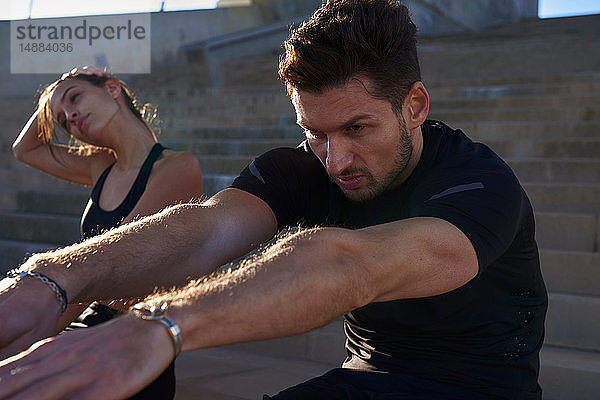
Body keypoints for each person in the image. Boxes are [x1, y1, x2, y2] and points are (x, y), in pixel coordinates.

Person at [0, 1, 547, 399]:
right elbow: (207, 228)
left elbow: (354, 263)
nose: (336, 161)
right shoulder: (299, 168)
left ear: (415, 104)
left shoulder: (480, 184)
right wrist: (52, 279)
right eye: (316, 132)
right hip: (362, 378)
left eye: (358, 127)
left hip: (480, 390)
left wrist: (159, 327)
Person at [9, 66, 203, 399]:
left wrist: (31, 337)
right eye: (62, 119)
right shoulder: (99, 165)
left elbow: (113, 263)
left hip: (132, 335)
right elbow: (24, 149)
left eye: (75, 98)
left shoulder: (178, 166)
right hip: (84, 317)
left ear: (113, 89)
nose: (70, 116)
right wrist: (52, 98)